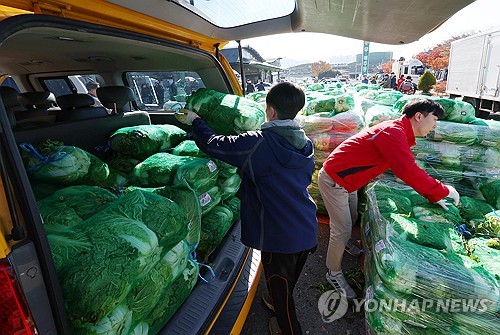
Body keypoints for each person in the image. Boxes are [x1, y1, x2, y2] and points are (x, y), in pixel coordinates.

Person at [176, 82, 318, 335]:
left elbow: (213, 143)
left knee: (283, 297)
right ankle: (276, 301)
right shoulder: (306, 144)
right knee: (287, 284)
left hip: (279, 236)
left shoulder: (257, 143)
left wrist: (195, 120)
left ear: (271, 112)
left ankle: (288, 329)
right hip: (307, 226)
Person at [317, 98, 460, 300]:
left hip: (348, 181)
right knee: (341, 228)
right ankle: (333, 273)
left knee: (349, 220)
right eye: (434, 120)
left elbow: (406, 168)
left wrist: (432, 195)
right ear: (419, 116)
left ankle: (344, 244)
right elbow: (407, 170)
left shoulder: (398, 131)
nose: (435, 126)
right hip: (336, 180)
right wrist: (442, 190)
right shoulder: (393, 132)